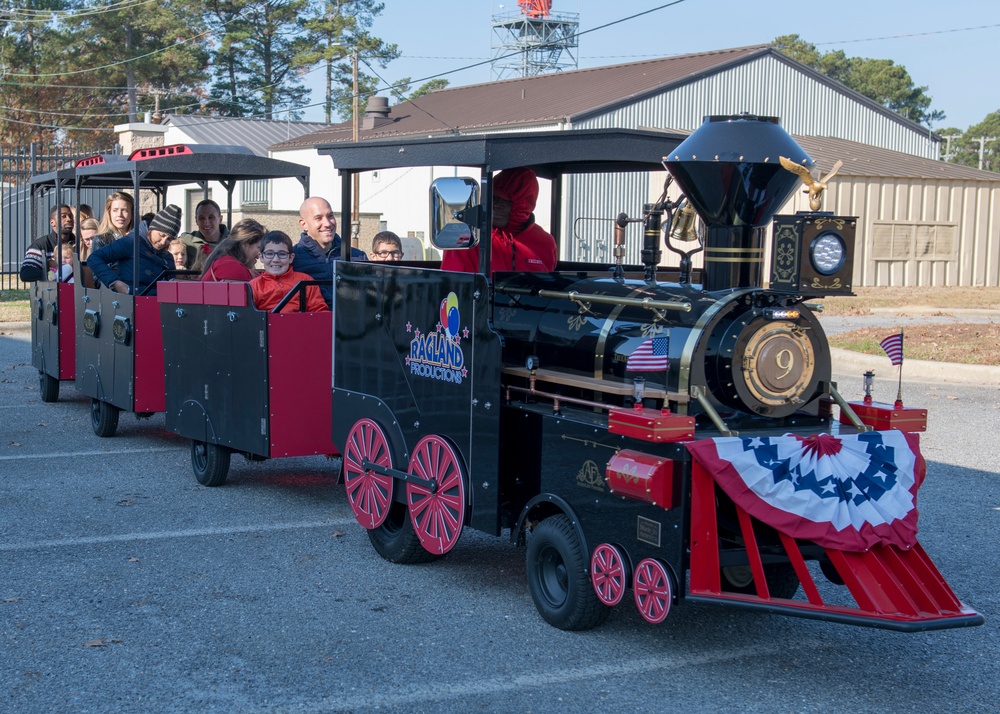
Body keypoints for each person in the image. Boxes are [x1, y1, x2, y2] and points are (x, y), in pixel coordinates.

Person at [441, 167, 557, 275]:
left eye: (505, 201)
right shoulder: (467, 239)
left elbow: (548, 289)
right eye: (493, 198)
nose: (495, 206)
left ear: (523, 206)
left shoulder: (545, 243)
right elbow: (452, 288)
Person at [88, 204, 180, 296]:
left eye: (169, 239)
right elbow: (94, 258)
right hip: (131, 300)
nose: (163, 242)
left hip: (159, 303)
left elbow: (170, 286)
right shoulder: (131, 242)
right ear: (152, 229)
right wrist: (115, 282)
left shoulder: (168, 258)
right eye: (162, 235)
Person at [293, 197, 366, 306]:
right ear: (303, 224)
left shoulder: (358, 257)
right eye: (318, 218)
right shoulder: (292, 260)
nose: (327, 223)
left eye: (330, 216)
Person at [250, 231, 328, 313]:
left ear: (291, 258)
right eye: (269, 254)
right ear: (261, 257)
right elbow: (249, 318)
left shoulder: (305, 281)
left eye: (282, 254)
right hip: (267, 325)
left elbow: (320, 311)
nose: (276, 260)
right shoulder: (254, 286)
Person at [19, 204, 75, 282]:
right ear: (52, 222)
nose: (69, 219)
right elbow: (26, 273)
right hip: (53, 292)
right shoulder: (40, 245)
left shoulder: (79, 243)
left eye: (70, 216)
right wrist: (53, 274)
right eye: (63, 216)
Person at [201, 219, 265, 282]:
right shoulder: (232, 267)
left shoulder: (224, 261)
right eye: (259, 247)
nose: (262, 253)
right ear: (245, 244)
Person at [180, 199, 229, 273]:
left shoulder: (234, 242)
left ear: (220, 219)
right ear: (196, 221)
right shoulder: (186, 240)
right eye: (201, 218)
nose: (206, 222)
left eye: (211, 217)